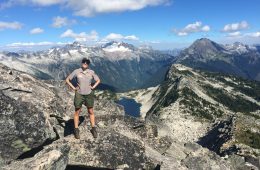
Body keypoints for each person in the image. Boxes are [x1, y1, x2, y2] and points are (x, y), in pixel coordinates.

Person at [66, 58, 101, 139]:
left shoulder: (91, 72)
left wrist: (93, 87)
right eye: (84, 62)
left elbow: (98, 80)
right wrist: (74, 88)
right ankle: (76, 129)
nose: (85, 63)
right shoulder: (76, 71)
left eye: (87, 62)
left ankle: (93, 129)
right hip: (79, 94)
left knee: (90, 111)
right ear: (81, 63)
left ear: (88, 64)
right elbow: (67, 80)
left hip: (89, 93)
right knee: (77, 111)